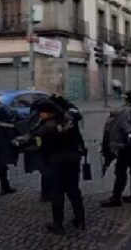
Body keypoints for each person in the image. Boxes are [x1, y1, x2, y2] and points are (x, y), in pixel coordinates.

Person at [31, 98, 86, 234]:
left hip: (55, 162)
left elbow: (41, 148)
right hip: (72, 159)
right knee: (74, 190)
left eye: (42, 112)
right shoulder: (69, 121)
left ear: (49, 113)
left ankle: (58, 223)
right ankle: (80, 220)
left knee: (56, 193)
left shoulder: (46, 127)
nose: (40, 115)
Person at [101, 91, 131, 207]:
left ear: (126, 99)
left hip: (126, 146)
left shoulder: (125, 111)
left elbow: (128, 129)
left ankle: (116, 197)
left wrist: (129, 139)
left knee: (120, 171)